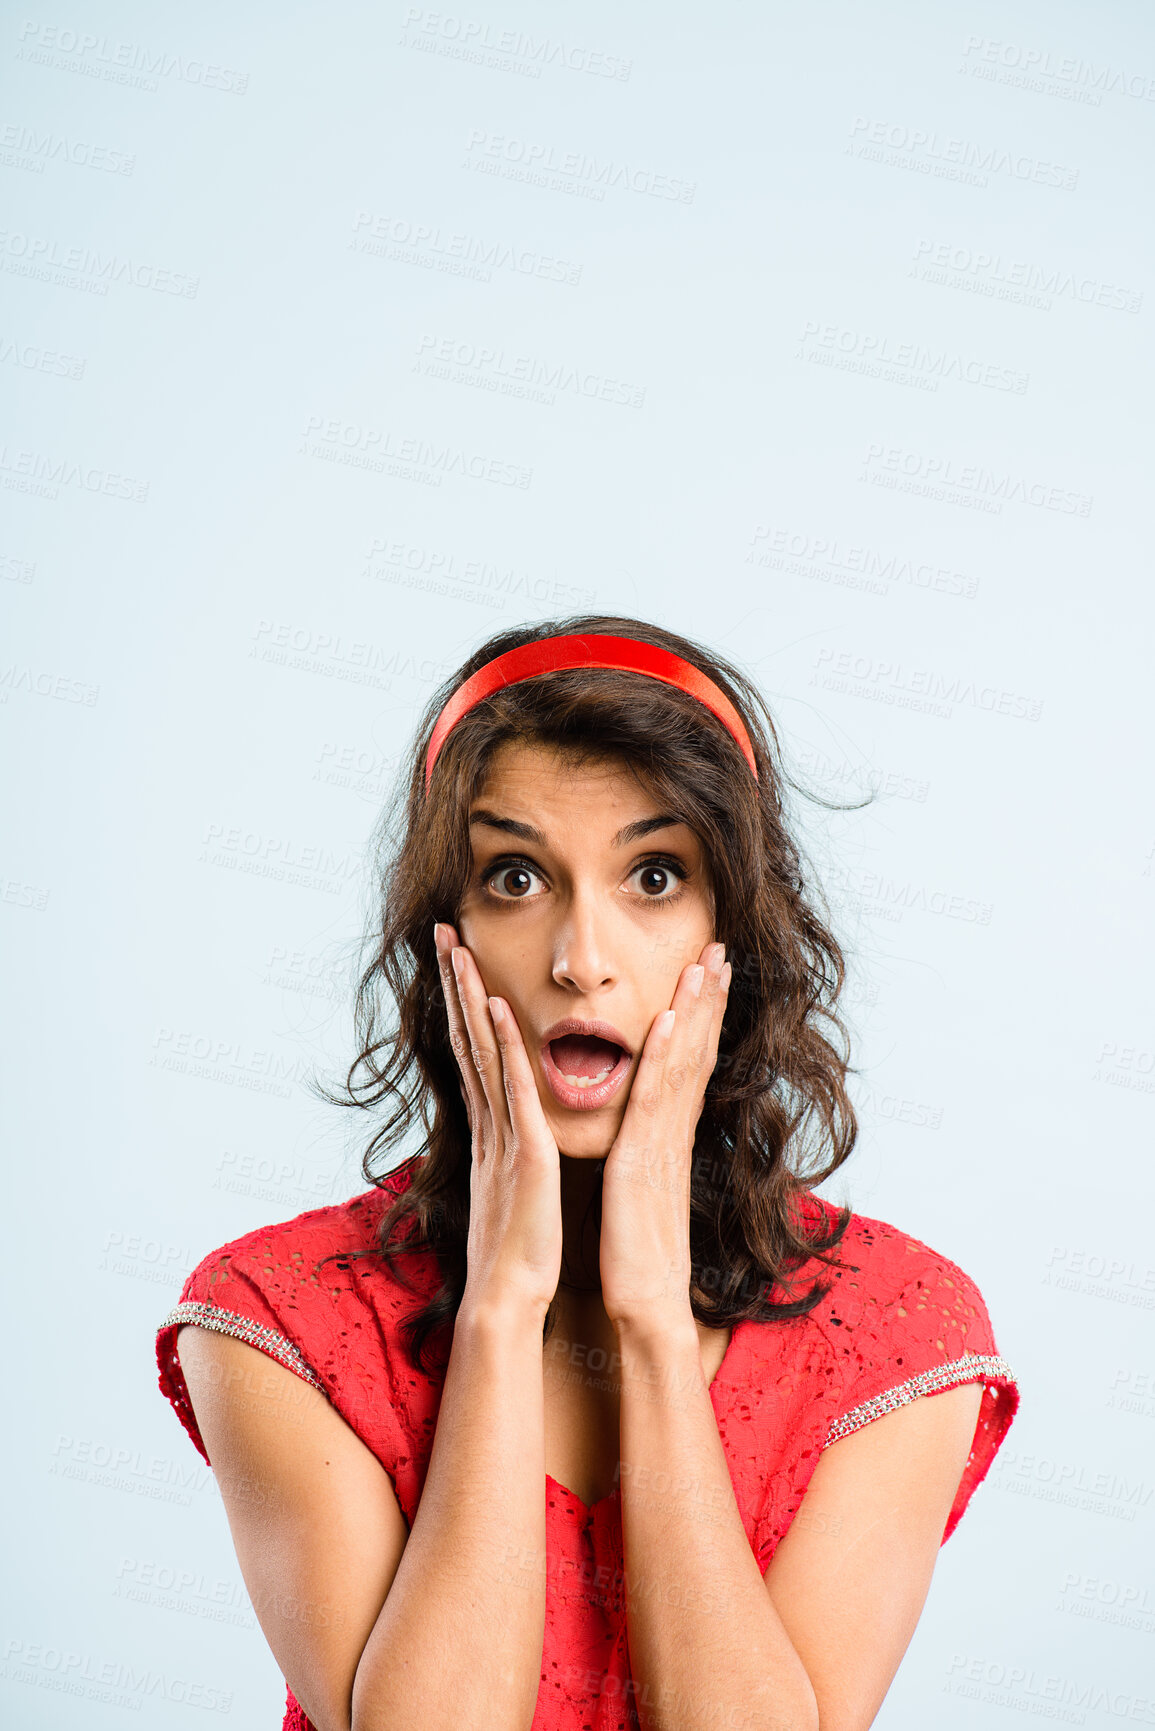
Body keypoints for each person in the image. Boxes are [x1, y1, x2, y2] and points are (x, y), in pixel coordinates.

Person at [155, 618, 1019, 1731]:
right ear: (442, 934)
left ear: (734, 936)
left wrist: (653, 1314)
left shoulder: (899, 1327)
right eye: (514, 877)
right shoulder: (272, 1315)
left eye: (654, 877)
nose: (581, 958)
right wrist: (501, 1310)